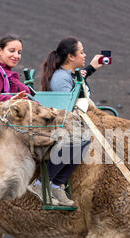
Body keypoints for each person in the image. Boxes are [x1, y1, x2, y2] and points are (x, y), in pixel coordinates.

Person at [28, 37, 102, 207]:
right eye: (81, 52)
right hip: (61, 124)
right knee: (82, 139)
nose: (84, 55)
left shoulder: (68, 74)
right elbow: (66, 108)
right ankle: (41, 184)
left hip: (72, 122)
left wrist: (92, 67)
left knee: (85, 139)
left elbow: (79, 81)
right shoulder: (61, 79)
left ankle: (56, 186)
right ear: (71, 56)